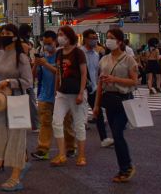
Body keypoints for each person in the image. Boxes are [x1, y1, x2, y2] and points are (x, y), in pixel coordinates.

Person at [0, 23, 33, 192]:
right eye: (2, 33)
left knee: (17, 139)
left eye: (7, 33)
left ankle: (15, 177)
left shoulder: (21, 57)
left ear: (15, 36)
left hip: (18, 99)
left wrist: (9, 82)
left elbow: (28, 82)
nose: (4, 35)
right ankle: (17, 163)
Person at [93, 27, 138, 183]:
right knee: (115, 133)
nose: (108, 40)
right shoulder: (104, 59)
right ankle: (123, 168)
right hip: (109, 100)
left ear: (119, 41)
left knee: (117, 133)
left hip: (124, 99)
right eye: (107, 37)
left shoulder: (129, 59)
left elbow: (134, 81)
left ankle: (126, 167)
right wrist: (96, 105)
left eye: (111, 37)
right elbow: (100, 84)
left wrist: (115, 79)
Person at [31, 30, 75, 161]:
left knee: (66, 122)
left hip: (62, 94)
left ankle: (70, 147)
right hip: (44, 95)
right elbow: (33, 76)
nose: (47, 46)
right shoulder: (42, 56)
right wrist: (36, 64)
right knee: (45, 123)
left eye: (49, 43)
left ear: (55, 42)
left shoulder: (61, 55)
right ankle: (42, 149)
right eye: (44, 43)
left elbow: (61, 73)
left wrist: (45, 64)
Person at [50, 25, 88, 167]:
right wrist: (56, 89)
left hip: (76, 93)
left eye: (62, 34)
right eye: (59, 34)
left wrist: (81, 93)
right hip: (62, 93)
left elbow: (84, 73)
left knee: (79, 124)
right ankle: (62, 154)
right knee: (56, 122)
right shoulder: (59, 53)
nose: (59, 37)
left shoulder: (78, 53)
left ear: (69, 36)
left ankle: (82, 155)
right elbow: (58, 72)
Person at [80, 29, 112, 148]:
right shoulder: (79, 53)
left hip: (93, 89)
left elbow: (97, 72)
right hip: (81, 89)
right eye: (91, 38)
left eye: (95, 38)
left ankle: (104, 138)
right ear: (85, 39)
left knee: (98, 113)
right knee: (78, 116)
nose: (94, 40)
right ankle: (74, 144)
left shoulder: (96, 55)